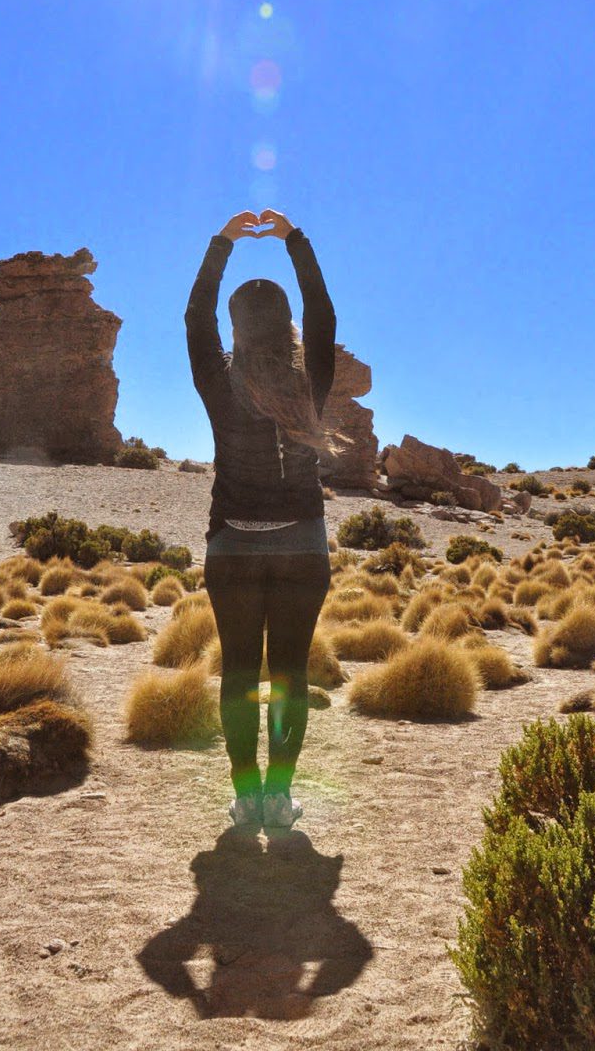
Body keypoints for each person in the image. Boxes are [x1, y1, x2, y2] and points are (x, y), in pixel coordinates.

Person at [185, 207, 346, 833]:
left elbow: (194, 318)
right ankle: (279, 798)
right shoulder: (311, 382)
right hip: (303, 548)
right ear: (286, 326)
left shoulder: (217, 383)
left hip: (232, 549)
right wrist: (293, 241)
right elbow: (323, 313)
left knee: (240, 673)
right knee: (288, 675)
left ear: (236, 327)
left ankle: (245, 795)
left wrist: (222, 241)